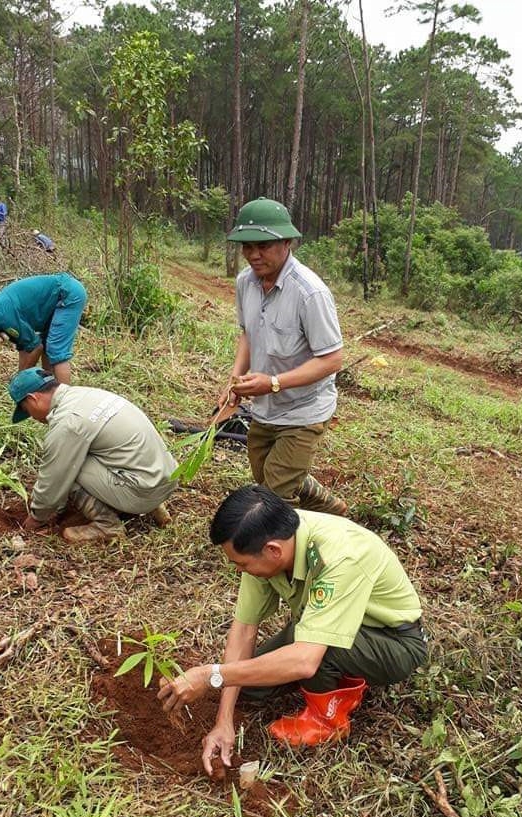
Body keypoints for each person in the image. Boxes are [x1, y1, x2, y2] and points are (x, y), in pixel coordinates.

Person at [157, 485, 427, 770]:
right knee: (247, 687)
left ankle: (327, 719)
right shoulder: (265, 541)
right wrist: (224, 718)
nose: (239, 571)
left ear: (273, 551)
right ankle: (330, 676)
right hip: (324, 625)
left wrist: (211, 674)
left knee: (314, 656)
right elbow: (244, 630)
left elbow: (304, 660)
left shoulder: (341, 555)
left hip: (393, 641)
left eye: (242, 564)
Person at [219, 196, 346, 515]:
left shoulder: (309, 293)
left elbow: (332, 360)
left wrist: (273, 382)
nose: (253, 254)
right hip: (266, 406)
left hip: (304, 408)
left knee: (274, 496)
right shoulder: (245, 283)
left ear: (287, 242)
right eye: (247, 246)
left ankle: (287, 556)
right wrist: (235, 379)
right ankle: (327, 504)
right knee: (264, 477)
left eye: (263, 245)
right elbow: (248, 332)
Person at [8, 369, 179, 545]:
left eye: (26, 411)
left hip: (144, 491)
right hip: (165, 478)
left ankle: (107, 526)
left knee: (67, 468)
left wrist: (36, 519)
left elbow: (53, 479)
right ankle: (155, 508)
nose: (32, 418)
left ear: (32, 399)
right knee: (88, 452)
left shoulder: (68, 422)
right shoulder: (88, 394)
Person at [0, 273, 87, 384]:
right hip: (57, 299)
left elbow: (35, 348)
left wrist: (20, 383)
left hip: (67, 294)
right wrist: (20, 378)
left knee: (56, 351)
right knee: (48, 345)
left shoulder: (2, 316)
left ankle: (65, 402)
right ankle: (51, 389)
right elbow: (26, 347)